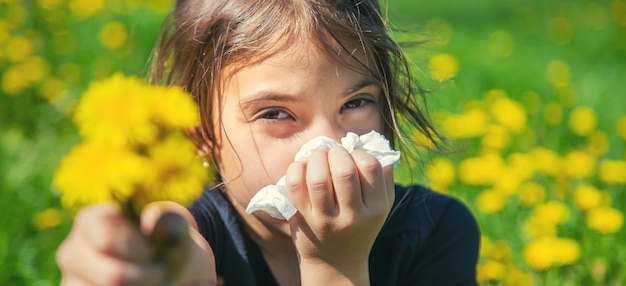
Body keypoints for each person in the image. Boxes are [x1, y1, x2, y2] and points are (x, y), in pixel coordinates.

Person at [56, 0, 480, 285]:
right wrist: (135, 256)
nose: (329, 145)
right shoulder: (196, 233)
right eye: (276, 112)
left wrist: (335, 265)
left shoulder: (435, 233)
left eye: (355, 103)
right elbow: (176, 244)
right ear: (200, 131)